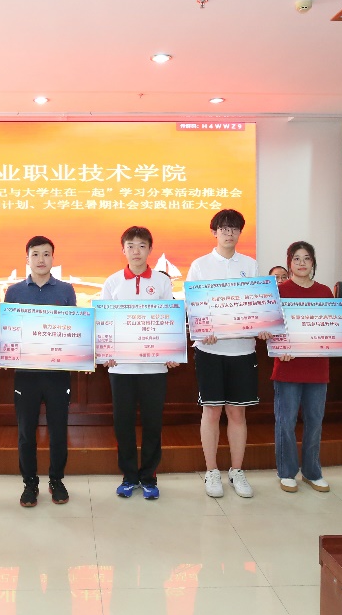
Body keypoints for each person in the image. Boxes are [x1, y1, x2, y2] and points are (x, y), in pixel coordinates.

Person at [186, 208, 266, 499]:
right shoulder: (200, 265)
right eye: (224, 228)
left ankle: (236, 470)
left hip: (242, 350)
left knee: (237, 412)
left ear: (240, 233)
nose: (229, 233)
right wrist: (202, 328)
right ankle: (211, 471)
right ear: (214, 232)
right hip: (210, 350)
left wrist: (263, 326)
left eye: (234, 229)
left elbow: (259, 305)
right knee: (211, 410)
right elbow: (193, 306)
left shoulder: (250, 265)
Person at [272, 241, 342, 494]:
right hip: (288, 366)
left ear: (313, 263)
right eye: (296, 258)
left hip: (317, 368)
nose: (302, 263)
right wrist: (278, 346)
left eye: (307, 258)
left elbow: (335, 328)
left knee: (315, 421)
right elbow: (273, 327)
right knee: (286, 422)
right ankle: (287, 472)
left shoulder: (324, 292)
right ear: (289, 262)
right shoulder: (279, 291)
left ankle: (312, 472)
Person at [99, 226, 178, 500]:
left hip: (154, 368)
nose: (136, 251)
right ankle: (129, 476)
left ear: (150, 250)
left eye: (142, 246)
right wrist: (105, 352)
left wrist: (171, 351)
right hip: (121, 367)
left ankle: (149, 477)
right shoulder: (112, 282)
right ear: (123, 250)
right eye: (131, 246)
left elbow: (169, 319)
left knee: (153, 423)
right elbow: (105, 321)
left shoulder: (162, 282)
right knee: (123, 424)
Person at [1, 236, 78, 507]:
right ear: (27, 259)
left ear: (53, 258)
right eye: (35, 254)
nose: (41, 259)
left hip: (57, 373)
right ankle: (30, 483)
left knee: (58, 431)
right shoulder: (14, 292)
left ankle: (56, 480)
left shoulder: (66, 290)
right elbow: (9, 331)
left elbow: (73, 330)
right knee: (26, 432)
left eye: (46, 254)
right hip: (26, 374)